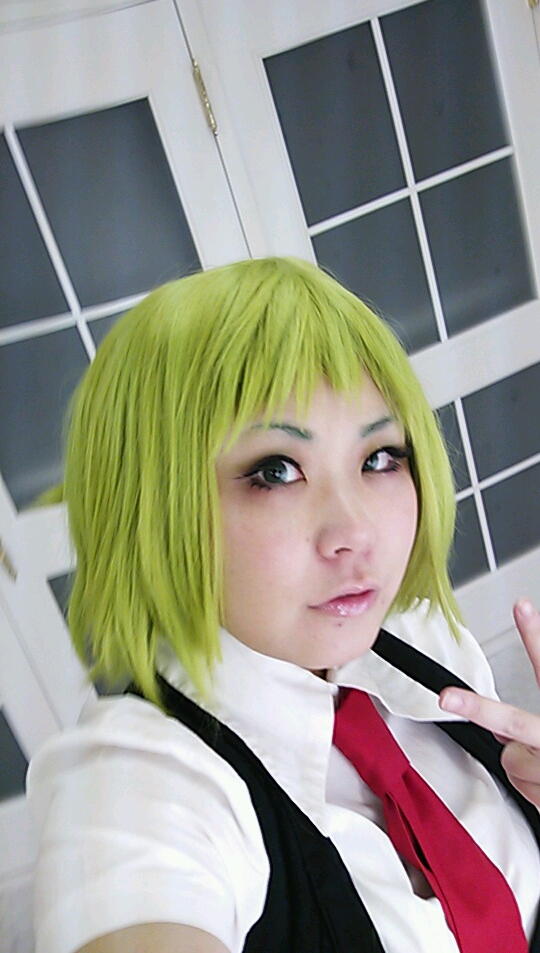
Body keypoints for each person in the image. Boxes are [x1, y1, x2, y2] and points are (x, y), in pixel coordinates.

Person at [27, 256, 540, 953]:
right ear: (155, 507)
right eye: (276, 471)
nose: (355, 531)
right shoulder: (138, 779)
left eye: (380, 458)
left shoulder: (420, 639)